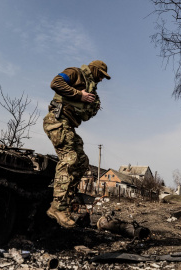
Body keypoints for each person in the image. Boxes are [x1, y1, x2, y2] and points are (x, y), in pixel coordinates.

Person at [43, 60, 111, 228]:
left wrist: (90, 105)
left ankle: (66, 200)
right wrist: (80, 95)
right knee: (70, 158)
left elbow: (85, 114)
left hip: (68, 126)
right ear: (94, 70)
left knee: (81, 162)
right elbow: (55, 83)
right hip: (56, 121)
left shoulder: (91, 89)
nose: (101, 80)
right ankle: (57, 207)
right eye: (101, 75)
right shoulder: (75, 73)